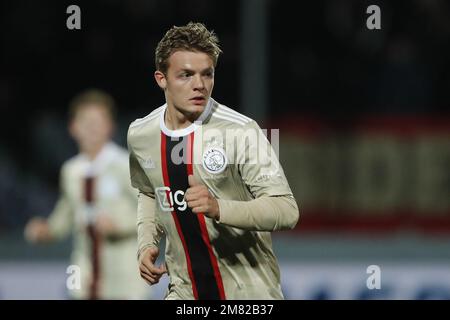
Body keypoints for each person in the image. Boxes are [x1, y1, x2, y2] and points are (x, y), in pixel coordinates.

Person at [128, 22, 299, 300]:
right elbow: (148, 192)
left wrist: (218, 207)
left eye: (207, 74)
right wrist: (146, 243)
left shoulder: (241, 131)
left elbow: (286, 210)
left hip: (248, 293)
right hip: (184, 291)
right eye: (186, 75)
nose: (199, 85)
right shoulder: (141, 134)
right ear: (162, 79)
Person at [24, 89, 149, 299]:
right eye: (85, 121)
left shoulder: (125, 165)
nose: (92, 127)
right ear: (73, 127)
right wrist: (46, 230)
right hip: (84, 271)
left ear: (110, 126)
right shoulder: (71, 171)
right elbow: (65, 215)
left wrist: (119, 225)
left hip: (124, 275)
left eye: (98, 121)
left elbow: (153, 209)